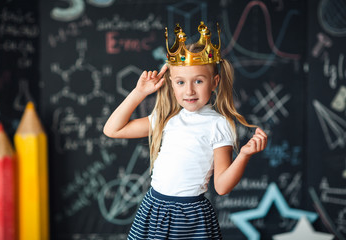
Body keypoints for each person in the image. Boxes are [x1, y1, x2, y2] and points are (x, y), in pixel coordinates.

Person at [103, 22, 267, 240]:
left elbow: (222, 187)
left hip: (190, 216)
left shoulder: (219, 124)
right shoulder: (166, 119)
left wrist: (244, 155)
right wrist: (138, 92)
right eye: (180, 82)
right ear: (171, 83)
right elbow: (113, 130)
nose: (189, 90)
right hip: (154, 208)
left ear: (214, 82)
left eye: (198, 81)